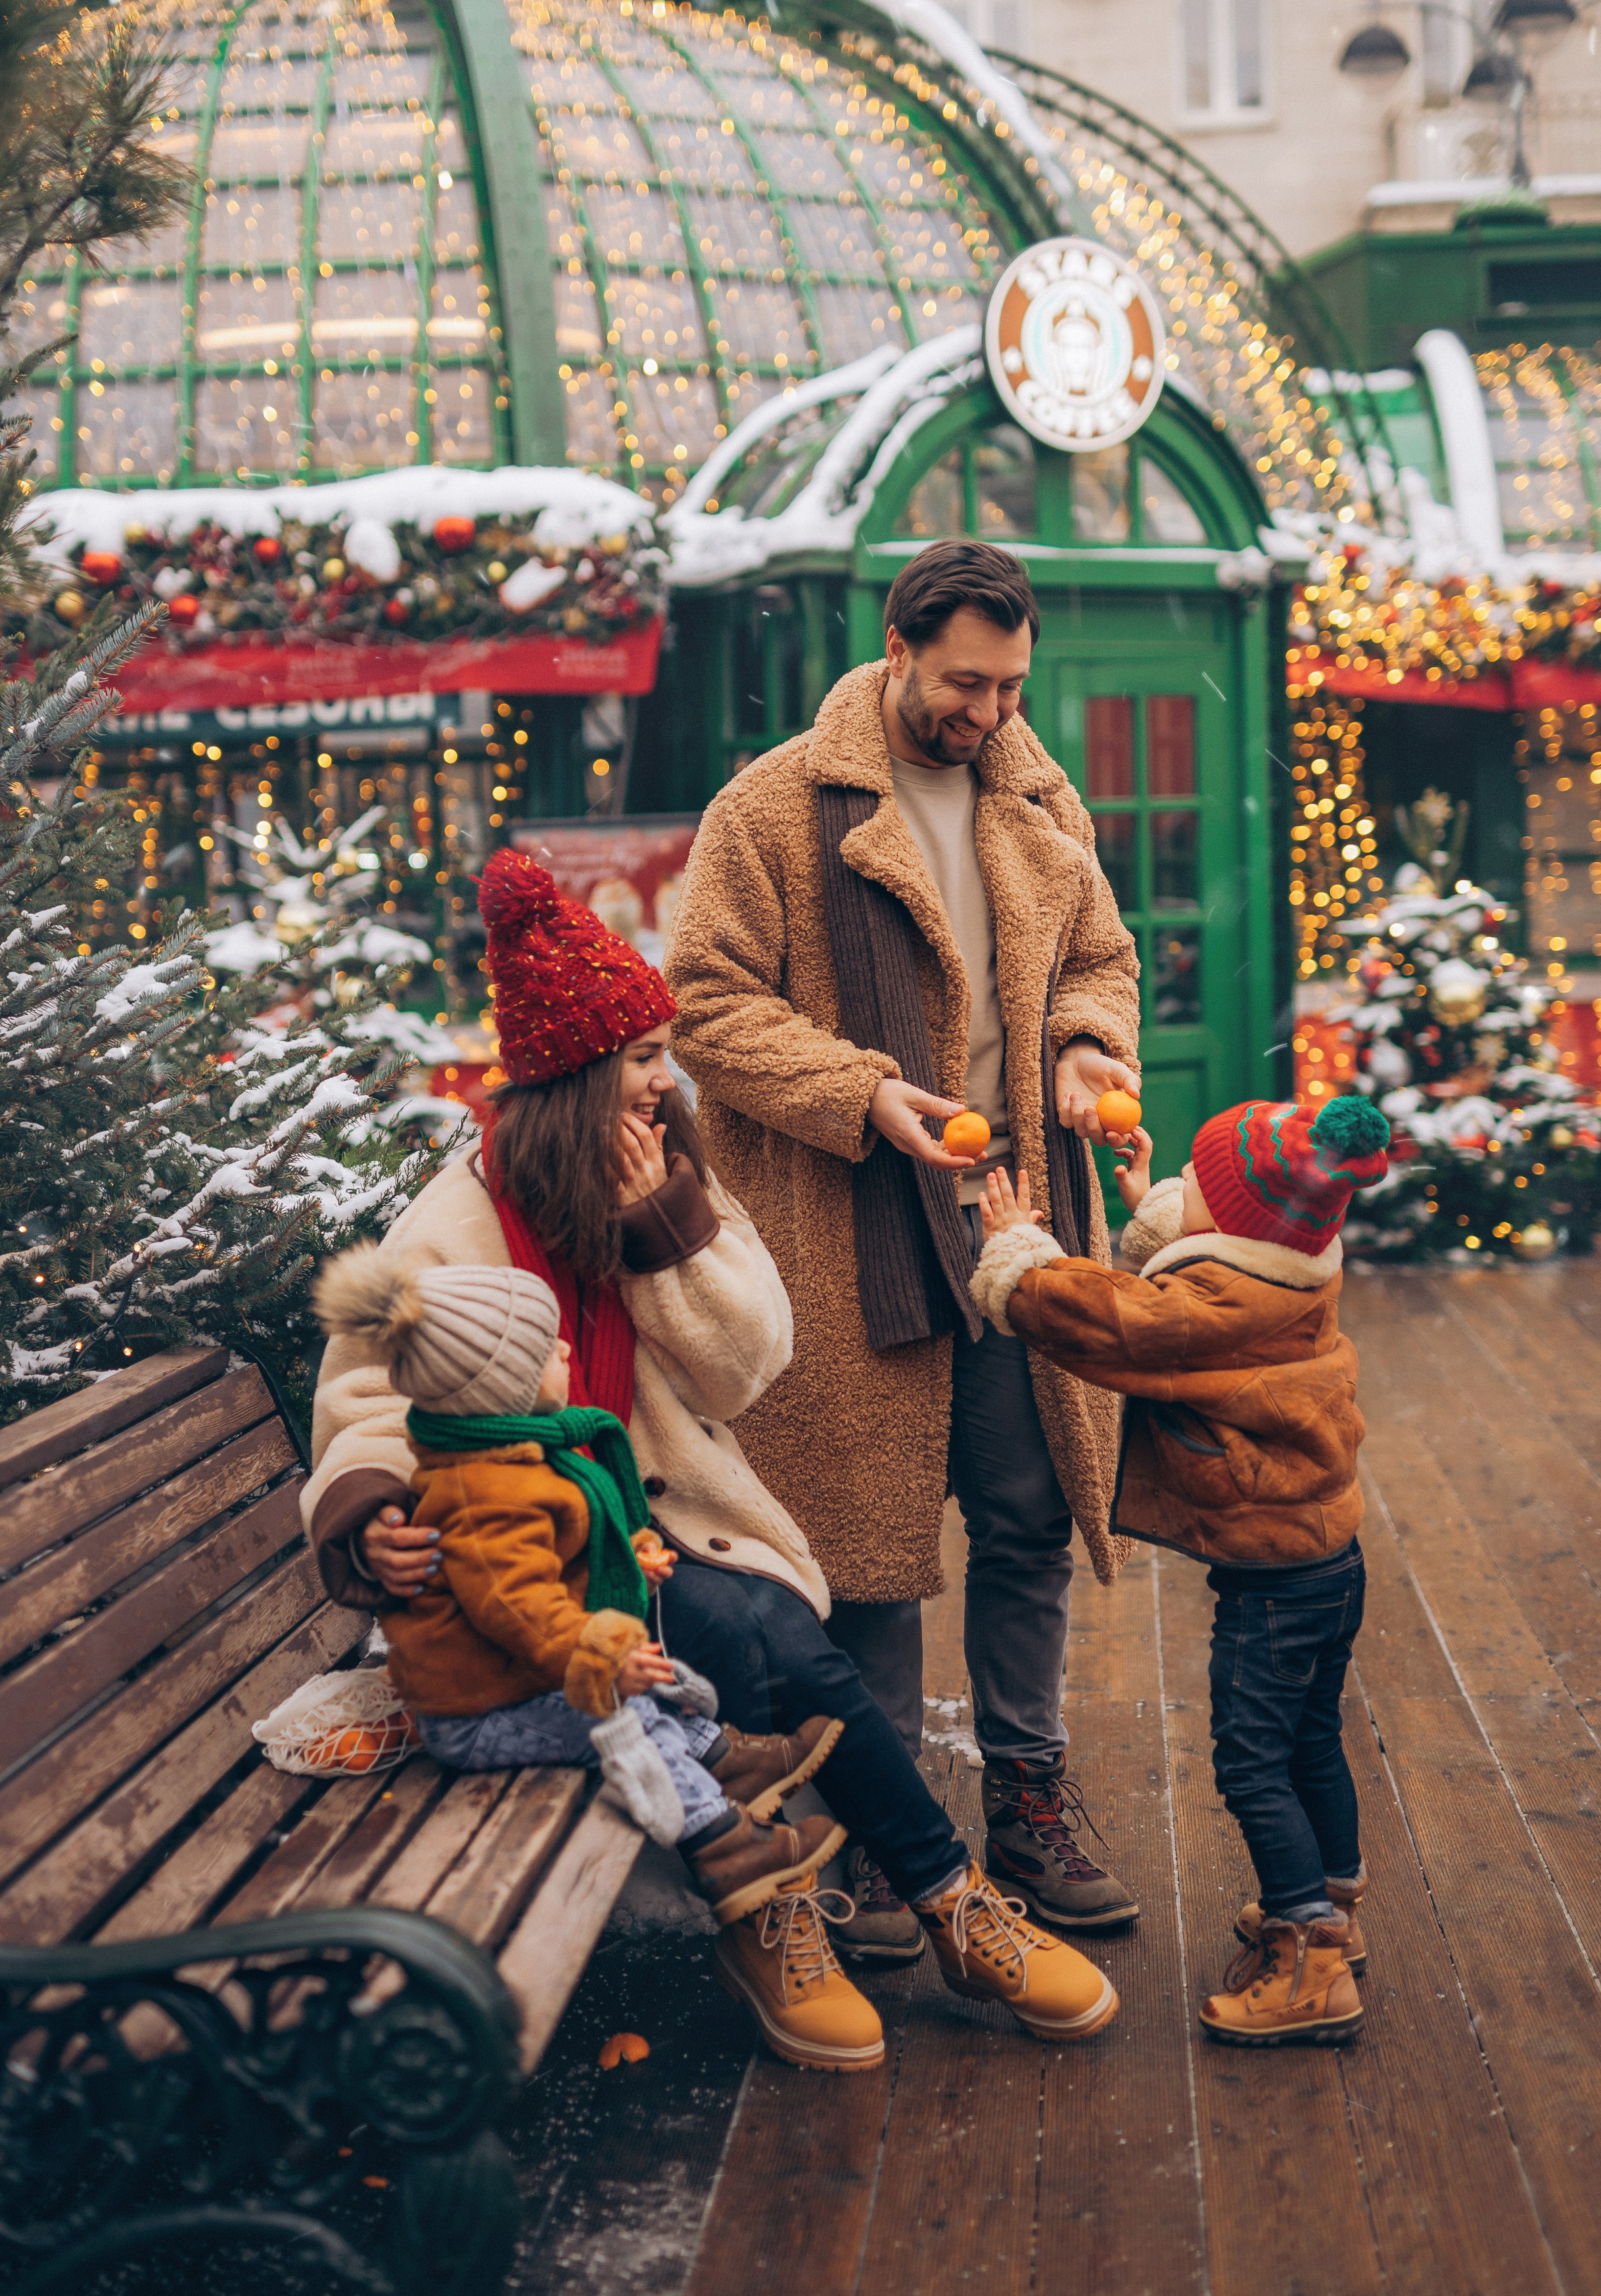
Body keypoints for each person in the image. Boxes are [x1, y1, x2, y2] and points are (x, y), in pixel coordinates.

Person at [301, 849, 1120, 2066]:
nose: (660, 1082)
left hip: (652, 1520)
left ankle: (931, 1901)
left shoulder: (675, 1177)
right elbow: (372, 1398)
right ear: (577, 1078)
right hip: (522, 1556)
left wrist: (661, 1233)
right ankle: (845, 1902)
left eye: (658, 1057)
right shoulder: (459, 1217)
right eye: (638, 1062)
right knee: (754, 1636)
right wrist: (369, 1511)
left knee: (766, 1629)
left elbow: (750, 1363)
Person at [664, 537, 1144, 1952]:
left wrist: (1079, 1051)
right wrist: (862, 1093)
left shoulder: (1037, 797)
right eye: (961, 685)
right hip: (846, 1222)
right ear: (894, 649)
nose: (987, 715)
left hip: (1010, 1224)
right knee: (860, 1549)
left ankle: (1028, 1801)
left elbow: (1099, 962)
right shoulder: (769, 809)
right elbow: (702, 1002)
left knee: (1025, 1514)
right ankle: (887, 1839)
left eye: (1006, 687)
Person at [967, 1090, 1393, 2046]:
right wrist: (1156, 1210)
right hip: (1331, 1560)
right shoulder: (1296, 1269)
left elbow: (1122, 1324)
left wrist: (1019, 1256)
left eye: (1191, 1184)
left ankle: (1311, 1963)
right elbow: (1187, 1272)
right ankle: (1332, 1908)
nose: (1176, 1187)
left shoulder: (1220, 1302)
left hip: (1274, 1587)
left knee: (1250, 1764)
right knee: (1312, 1740)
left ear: (1233, 1225)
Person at [311, 1243, 848, 1926]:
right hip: (479, 1715)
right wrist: (602, 1651)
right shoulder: (481, 1493)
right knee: (625, 1715)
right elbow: (519, 1607)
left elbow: (557, 1556)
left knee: (653, 1690)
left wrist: (629, 1554)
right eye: (544, 1349)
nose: (566, 1349)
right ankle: (724, 1844)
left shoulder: (516, 1455)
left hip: (513, 1684)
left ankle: (727, 1761)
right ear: (498, 1388)